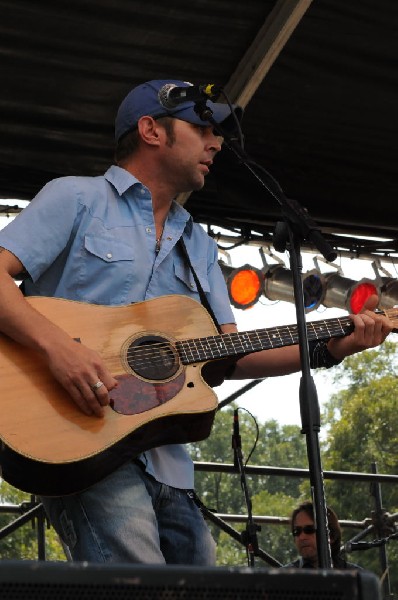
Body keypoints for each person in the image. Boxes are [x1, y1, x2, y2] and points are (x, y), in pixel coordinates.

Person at [0, 79, 392, 566]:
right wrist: (60, 349)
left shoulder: (199, 245)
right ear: (151, 130)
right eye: (202, 127)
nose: (217, 143)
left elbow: (232, 352)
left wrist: (335, 347)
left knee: (202, 579)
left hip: (166, 461)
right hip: (78, 435)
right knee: (137, 577)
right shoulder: (76, 199)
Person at [284, 501, 362, 569]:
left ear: (331, 536)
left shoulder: (355, 578)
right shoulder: (283, 578)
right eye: (297, 531)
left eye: (309, 530)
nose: (302, 537)